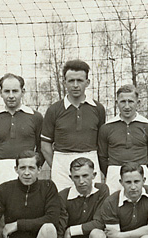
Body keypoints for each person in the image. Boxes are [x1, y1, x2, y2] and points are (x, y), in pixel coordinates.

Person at [41, 60, 106, 191]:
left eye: (79, 81)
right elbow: (45, 144)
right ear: (64, 82)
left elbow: (102, 142)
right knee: (62, 203)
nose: (75, 85)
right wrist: (57, 166)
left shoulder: (98, 109)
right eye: (71, 81)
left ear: (87, 83)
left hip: (90, 159)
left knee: (91, 202)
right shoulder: (54, 110)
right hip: (62, 163)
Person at [0, 73, 43, 194]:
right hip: (0, 170)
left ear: (23, 91)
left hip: (25, 169)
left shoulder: (35, 117)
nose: (11, 96)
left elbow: (41, 147)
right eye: (7, 91)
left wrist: (32, 166)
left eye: (15, 91)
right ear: (0, 92)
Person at [98, 84, 148, 194]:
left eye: (130, 101)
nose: (127, 106)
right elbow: (102, 157)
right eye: (123, 102)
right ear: (117, 103)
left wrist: (141, 171)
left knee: (141, 207)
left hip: (140, 173)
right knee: (115, 207)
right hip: (115, 175)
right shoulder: (106, 128)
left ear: (138, 103)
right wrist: (113, 171)